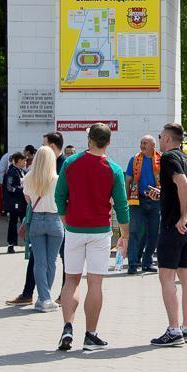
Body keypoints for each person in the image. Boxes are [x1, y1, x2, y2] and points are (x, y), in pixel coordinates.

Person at [54, 123, 129, 352]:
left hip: (74, 228)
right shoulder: (114, 169)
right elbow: (122, 206)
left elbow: (59, 196)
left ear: (89, 140)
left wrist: (66, 219)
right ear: (108, 142)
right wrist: (124, 235)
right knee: (95, 283)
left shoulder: (70, 162)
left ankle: (68, 326)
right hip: (100, 231)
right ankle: (91, 335)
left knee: (71, 280)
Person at [151, 122, 187, 348]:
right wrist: (162, 194)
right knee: (186, 278)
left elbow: (183, 184)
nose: (159, 140)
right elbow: (182, 186)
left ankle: (173, 330)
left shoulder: (169, 158)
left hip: (174, 226)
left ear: (168, 139)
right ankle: (186, 328)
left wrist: (181, 216)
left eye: (161, 136)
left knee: (166, 277)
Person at [18, 137, 64, 311]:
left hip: (36, 220)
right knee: (52, 261)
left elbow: (28, 200)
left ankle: (43, 299)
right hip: (54, 220)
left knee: (39, 262)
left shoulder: (28, 178)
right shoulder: (57, 179)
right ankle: (45, 298)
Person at [125, 134, 161, 275]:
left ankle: (147, 263)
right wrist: (127, 197)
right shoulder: (134, 160)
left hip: (155, 201)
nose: (142, 145)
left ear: (153, 145)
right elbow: (128, 180)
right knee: (135, 232)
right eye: (141, 142)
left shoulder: (161, 160)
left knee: (153, 233)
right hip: (137, 200)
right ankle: (132, 264)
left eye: (145, 143)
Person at [3, 152, 27, 253]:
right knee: (13, 222)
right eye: (24, 160)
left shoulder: (23, 171)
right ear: (19, 160)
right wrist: (21, 189)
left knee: (25, 221)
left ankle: (28, 243)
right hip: (14, 202)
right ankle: (11, 244)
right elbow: (9, 187)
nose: (25, 162)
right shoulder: (12, 172)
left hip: (23, 201)